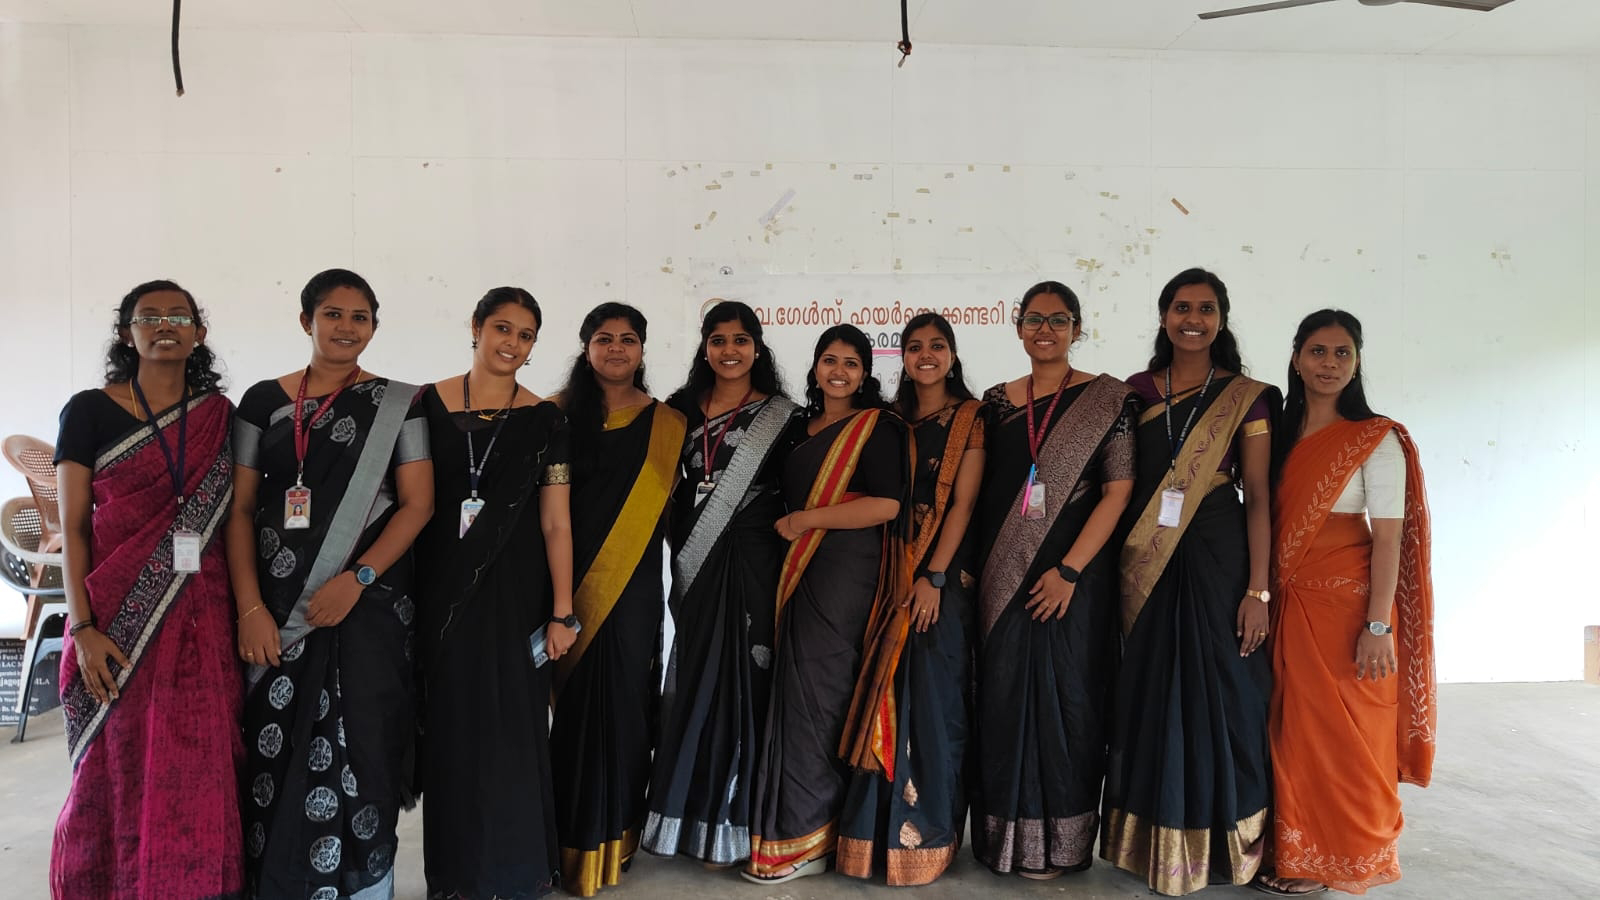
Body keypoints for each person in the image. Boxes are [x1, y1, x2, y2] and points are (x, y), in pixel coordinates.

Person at [228, 268, 434, 900]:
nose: (347, 327)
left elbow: (418, 504)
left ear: (374, 326)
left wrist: (358, 578)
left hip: (368, 609)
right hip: (278, 611)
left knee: (367, 743)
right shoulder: (262, 402)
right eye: (333, 314)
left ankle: (366, 885)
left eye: (360, 317)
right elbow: (240, 510)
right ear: (306, 321)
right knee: (273, 751)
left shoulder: (401, 403)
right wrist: (250, 609)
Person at [50, 280, 243, 900]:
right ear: (126, 332)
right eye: (149, 316)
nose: (165, 325)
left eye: (179, 317)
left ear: (199, 334)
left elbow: (238, 519)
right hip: (113, 623)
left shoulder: (219, 417)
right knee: (115, 763)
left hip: (204, 619)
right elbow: (73, 528)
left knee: (201, 759)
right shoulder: (88, 410)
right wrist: (83, 629)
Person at [1101, 269, 1280, 894]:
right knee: (1150, 693)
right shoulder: (1134, 391)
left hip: (1218, 555)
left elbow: (1259, 497)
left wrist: (1258, 590)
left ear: (1221, 319)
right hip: (1145, 558)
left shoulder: (1248, 396)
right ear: (1163, 316)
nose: (1193, 319)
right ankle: (1150, 845)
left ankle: (1230, 847)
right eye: (1181, 307)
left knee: (1226, 693)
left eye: (1205, 309)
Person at [1255, 310, 1436, 897]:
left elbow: (1389, 538)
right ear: (1296, 358)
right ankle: (1293, 850)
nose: (1329, 364)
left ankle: (1338, 857)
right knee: (1289, 732)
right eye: (1318, 351)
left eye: (1342, 353)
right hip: (1284, 603)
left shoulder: (1376, 438)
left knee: (1345, 736)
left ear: (1356, 364)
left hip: (1346, 611)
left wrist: (1378, 625)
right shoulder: (1278, 434)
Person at [971, 281, 1137, 879]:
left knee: (1071, 704)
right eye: (1035, 319)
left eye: (1059, 320)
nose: (1046, 330)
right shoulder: (994, 403)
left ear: (1077, 329)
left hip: (1073, 582)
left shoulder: (1109, 399)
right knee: (1002, 702)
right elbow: (976, 493)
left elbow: (1118, 492)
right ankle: (1003, 843)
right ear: (1018, 327)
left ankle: (1063, 846)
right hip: (1001, 578)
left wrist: (1069, 570)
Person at [413, 287, 572, 899]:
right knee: (450, 727)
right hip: (441, 592)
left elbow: (556, 522)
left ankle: (516, 872)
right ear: (476, 327)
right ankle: (454, 877)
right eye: (502, 328)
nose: (512, 343)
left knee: (513, 725)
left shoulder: (546, 419)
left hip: (518, 595)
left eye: (525, 335)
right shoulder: (425, 405)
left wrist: (562, 612)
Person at [743, 325, 908, 885]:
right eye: (830, 360)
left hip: (845, 568)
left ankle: (811, 835)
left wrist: (806, 520)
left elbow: (886, 505)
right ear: (815, 367)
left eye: (851, 363)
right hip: (795, 565)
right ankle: (794, 832)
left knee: (822, 690)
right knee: (791, 692)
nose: (839, 371)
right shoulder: (796, 427)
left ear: (865, 373)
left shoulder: (878, 427)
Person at [642, 301, 800, 866]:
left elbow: (798, 491)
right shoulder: (679, 409)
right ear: (704, 347)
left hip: (757, 557)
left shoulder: (785, 416)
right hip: (696, 556)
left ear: (757, 348)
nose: (729, 350)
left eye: (740, 340)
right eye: (718, 340)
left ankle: (738, 822)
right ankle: (685, 818)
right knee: (695, 672)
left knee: (747, 678)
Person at [837, 312, 984, 886]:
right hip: (885, 577)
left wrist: (935, 577)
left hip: (938, 583)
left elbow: (963, 506)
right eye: (916, 346)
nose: (926, 355)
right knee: (882, 698)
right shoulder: (889, 420)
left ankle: (927, 836)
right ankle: (869, 837)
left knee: (933, 702)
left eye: (937, 346)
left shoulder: (970, 417)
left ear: (953, 355)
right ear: (902, 356)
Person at [549, 303, 686, 896]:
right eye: (604, 339)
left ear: (642, 349)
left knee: (627, 706)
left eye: (628, 339)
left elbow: (676, 514)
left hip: (632, 592)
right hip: (562, 586)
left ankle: (619, 835)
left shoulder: (668, 424)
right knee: (573, 713)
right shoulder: (554, 415)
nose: (616, 349)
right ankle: (566, 838)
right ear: (586, 348)